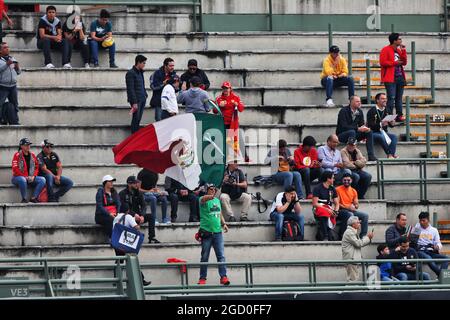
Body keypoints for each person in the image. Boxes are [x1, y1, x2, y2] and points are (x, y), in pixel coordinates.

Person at [197, 184, 230, 286]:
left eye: (214, 189)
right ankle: (202, 278)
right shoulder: (202, 199)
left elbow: (219, 213)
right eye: (211, 189)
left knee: (221, 256)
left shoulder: (217, 201)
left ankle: (223, 277)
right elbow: (204, 199)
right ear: (207, 190)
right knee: (204, 257)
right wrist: (210, 196)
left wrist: (223, 224)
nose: (213, 191)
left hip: (217, 232)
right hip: (206, 232)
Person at [112, 211, 151, 286]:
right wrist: (138, 223)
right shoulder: (129, 217)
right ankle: (141, 280)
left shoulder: (116, 217)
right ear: (127, 211)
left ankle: (115, 280)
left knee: (119, 261)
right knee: (132, 260)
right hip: (126, 243)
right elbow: (136, 227)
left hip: (118, 242)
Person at [119, 175, 158, 244]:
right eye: (134, 183)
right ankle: (130, 240)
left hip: (138, 216)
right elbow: (124, 208)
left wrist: (142, 215)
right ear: (129, 184)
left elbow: (143, 205)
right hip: (128, 217)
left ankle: (152, 237)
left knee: (151, 216)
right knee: (128, 218)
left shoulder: (138, 193)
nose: (137, 185)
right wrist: (134, 215)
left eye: (136, 183)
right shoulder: (122, 194)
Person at [336, 95, 376, 161]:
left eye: (360, 101)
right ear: (351, 102)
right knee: (352, 132)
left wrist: (365, 128)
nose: (359, 103)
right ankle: (352, 155)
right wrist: (357, 129)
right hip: (342, 135)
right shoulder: (343, 111)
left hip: (354, 134)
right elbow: (344, 126)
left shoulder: (360, 111)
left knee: (369, 132)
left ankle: (371, 155)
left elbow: (361, 125)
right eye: (357, 101)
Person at [380, 33, 407, 122]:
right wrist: (395, 63)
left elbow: (404, 62)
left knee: (399, 98)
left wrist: (403, 51)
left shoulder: (399, 50)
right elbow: (383, 62)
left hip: (400, 77)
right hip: (390, 78)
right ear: (394, 41)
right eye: (399, 39)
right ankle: (389, 116)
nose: (401, 40)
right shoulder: (385, 49)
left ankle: (399, 116)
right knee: (391, 97)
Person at [335, 173, 369, 240]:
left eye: (348, 180)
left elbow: (356, 203)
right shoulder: (337, 189)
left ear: (351, 181)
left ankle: (363, 236)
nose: (346, 182)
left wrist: (356, 205)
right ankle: (342, 235)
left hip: (350, 210)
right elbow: (337, 204)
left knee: (365, 215)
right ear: (342, 180)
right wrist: (348, 207)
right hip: (340, 210)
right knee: (350, 214)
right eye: (344, 180)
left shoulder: (353, 191)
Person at [414, 211, 448, 277]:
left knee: (446, 258)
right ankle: (441, 276)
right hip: (420, 251)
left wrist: (437, 246)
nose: (421, 222)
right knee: (429, 258)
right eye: (420, 221)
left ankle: (440, 276)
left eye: (423, 220)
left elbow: (439, 243)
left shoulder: (434, 230)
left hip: (431, 251)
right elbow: (413, 241)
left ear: (428, 220)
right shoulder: (417, 228)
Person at [11, 138, 46, 203]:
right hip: (17, 177)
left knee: (42, 179)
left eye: (29, 145)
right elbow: (15, 168)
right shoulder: (17, 155)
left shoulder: (32, 155)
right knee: (22, 179)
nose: (28, 146)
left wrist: (33, 176)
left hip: (30, 177)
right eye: (26, 145)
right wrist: (25, 176)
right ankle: (24, 199)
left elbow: (36, 167)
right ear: (21, 146)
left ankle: (34, 197)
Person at [342, 216, 374, 282]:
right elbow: (359, 244)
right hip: (351, 259)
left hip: (353, 259)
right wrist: (368, 237)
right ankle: (349, 292)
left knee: (353, 279)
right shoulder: (349, 232)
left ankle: (349, 292)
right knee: (353, 280)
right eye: (358, 223)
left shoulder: (353, 231)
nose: (360, 224)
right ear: (353, 224)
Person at [367, 93, 398, 159]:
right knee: (380, 136)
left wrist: (392, 123)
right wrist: (381, 124)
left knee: (394, 137)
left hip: (384, 132)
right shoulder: (372, 111)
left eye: (385, 98)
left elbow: (390, 124)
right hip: (374, 132)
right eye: (383, 99)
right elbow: (370, 125)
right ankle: (390, 154)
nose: (385, 100)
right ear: (377, 100)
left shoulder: (387, 110)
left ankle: (391, 155)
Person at [312, 170, 339, 241]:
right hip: (319, 207)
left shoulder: (332, 188)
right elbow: (315, 203)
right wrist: (327, 209)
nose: (334, 179)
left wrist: (336, 211)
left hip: (329, 208)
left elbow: (337, 203)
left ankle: (329, 234)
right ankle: (326, 235)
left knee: (344, 215)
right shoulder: (317, 188)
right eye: (332, 178)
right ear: (328, 179)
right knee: (324, 212)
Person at [126, 55, 148, 133]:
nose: (144, 65)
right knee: (136, 119)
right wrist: (134, 102)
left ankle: (135, 137)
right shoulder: (130, 73)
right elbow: (130, 89)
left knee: (138, 119)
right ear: (138, 62)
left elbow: (142, 84)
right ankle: (133, 137)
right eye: (143, 63)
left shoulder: (140, 72)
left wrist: (145, 94)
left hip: (142, 99)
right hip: (136, 100)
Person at [150, 57, 177, 121]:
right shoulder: (157, 73)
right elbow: (153, 86)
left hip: (170, 102)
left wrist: (176, 86)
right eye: (170, 66)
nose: (172, 67)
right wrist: (163, 84)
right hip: (159, 102)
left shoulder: (174, 74)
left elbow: (176, 89)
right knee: (159, 121)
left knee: (170, 121)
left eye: (173, 65)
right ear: (165, 65)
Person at [0, 42, 20, 125]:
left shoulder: (12, 58)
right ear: (0, 51)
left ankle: (15, 121)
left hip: (13, 86)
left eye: (8, 47)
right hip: (2, 86)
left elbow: (18, 72)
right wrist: (6, 65)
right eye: (5, 47)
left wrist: (17, 68)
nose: (7, 49)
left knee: (15, 104)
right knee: (0, 104)